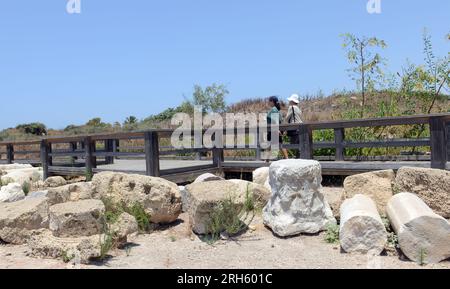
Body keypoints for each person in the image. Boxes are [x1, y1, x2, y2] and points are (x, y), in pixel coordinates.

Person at [266, 96, 289, 161]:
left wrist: (277, 129)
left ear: (272, 102)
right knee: (279, 143)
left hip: (273, 129)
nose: (268, 102)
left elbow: (275, 120)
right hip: (273, 129)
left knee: (276, 144)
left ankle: (267, 159)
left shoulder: (273, 109)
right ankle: (267, 159)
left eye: (269, 101)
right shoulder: (276, 109)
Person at [285, 94, 303, 158]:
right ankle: (299, 157)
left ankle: (297, 157)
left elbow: (287, 118)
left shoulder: (291, 107)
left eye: (290, 100)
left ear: (292, 101)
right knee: (298, 144)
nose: (289, 102)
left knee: (293, 144)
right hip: (300, 127)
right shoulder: (298, 109)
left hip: (294, 128)